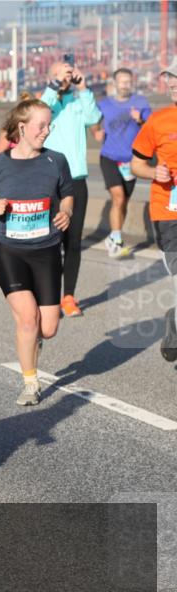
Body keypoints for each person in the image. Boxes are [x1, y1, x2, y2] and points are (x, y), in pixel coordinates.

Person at [0, 99, 73, 406]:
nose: (46, 130)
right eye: (41, 125)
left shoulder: (56, 160)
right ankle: (30, 383)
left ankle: (35, 340)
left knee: (49, 328)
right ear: (22, 127)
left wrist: (66, 211)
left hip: (47, 250)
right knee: (28, 319)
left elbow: (67, 193)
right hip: (9, 250)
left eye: (49, 124)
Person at [40, 61, 102, 317]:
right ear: (52, 78)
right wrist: (56, 85)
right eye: (60, 74)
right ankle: (49, 295)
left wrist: (84, 88)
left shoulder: (78, 103)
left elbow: (94, 118)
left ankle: (69, 297)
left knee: (73, 242)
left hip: (76, 180)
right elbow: (40, 111)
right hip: (49, 181)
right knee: (51, 242)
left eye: (68, 74)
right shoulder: (48, 105)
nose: (66, 78)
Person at [131, 58, 177, 364]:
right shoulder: (158, 121)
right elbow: (136, 164)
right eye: (170, 77)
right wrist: (153, 174)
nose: (171, 82)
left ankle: (174, 319)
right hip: (169, 212)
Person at [93, 68, 152, 259]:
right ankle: (117, 242)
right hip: (109, 157)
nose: (125, 85)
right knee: (118, 197)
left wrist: (140, 120)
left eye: (128, 81)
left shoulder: (140, 103)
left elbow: (151, 129)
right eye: (122, 81)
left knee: (123, 201)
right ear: (115, 83)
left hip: (132, 161)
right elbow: (92, 120)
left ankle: (113, 237)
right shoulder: (104, 104)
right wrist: (96, 132)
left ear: (131, 83)